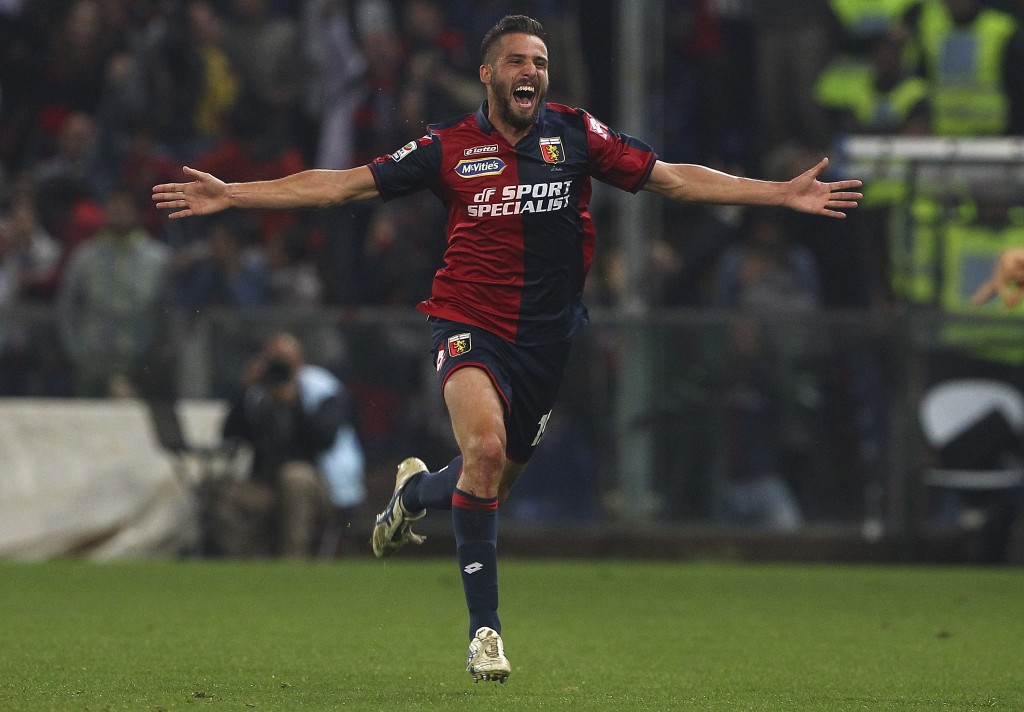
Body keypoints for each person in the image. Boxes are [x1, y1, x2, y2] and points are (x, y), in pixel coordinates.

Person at [153, 14, 862, 682]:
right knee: (485, 456)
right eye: (519, 60)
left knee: (483, 476)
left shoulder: (577, 135)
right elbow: (340, 187)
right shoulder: (446, 146)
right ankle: (484, 632)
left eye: (542, 62)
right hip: (468, 321)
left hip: (547, 341)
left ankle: (411, 494)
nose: (533, 71)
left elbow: (673, 178)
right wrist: (236, 196)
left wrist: (777, 194)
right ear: (489, 74)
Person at [212, 331, 366, 557]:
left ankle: (292, 563)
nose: (279, 368)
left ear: (300, 362)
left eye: (285, 361)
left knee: (294, 477)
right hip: (267, 483)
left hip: (321, 485)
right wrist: (243, 391)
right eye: (273, 360)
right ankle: (247, 567)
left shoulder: (321, 388)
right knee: (220, 492)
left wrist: (295, 404)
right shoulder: (258, 395)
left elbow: (326, 438)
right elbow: (230, 434)